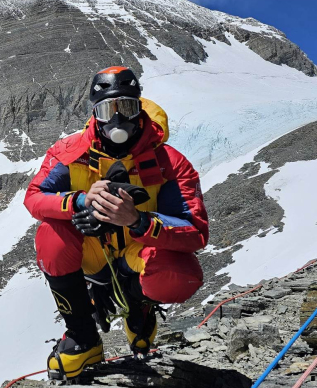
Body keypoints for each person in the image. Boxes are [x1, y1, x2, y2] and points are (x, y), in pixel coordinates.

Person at [23, 66, 208, 381]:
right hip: (94, 252)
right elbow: (34, 198)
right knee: (50, 235)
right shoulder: (69, 153)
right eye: (109, 109)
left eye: (128, 107)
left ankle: (139, 304)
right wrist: (80, 202)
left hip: (139, 251)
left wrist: (138, 221)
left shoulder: (170, 162)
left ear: (140, 109)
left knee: (182, 276)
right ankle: (82, 337)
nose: (118, 119)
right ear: (96, 114)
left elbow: (195, 232)